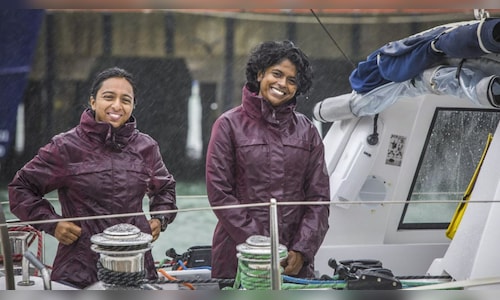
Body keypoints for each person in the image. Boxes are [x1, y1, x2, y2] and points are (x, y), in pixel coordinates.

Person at [8, 67, 177, 289]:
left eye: (125, 100)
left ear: (133, 106)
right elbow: (20, 188)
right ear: (93, 101)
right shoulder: (65, 146)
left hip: (137, 268)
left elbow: (165, 189)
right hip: (77, 272)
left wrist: (160, 219)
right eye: (109, 97)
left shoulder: (146, 147)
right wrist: (53, 223)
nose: (117, 106)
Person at [205, 40, 330, 282]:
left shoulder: (308, 132)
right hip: (239, 258)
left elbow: (319, 198)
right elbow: (220, 193)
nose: (282, 84)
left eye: (292, 80)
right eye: (277, 74)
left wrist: (301, 251)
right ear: (260, 73)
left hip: (293, 265)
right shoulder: (228, 125)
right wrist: (263, 247)